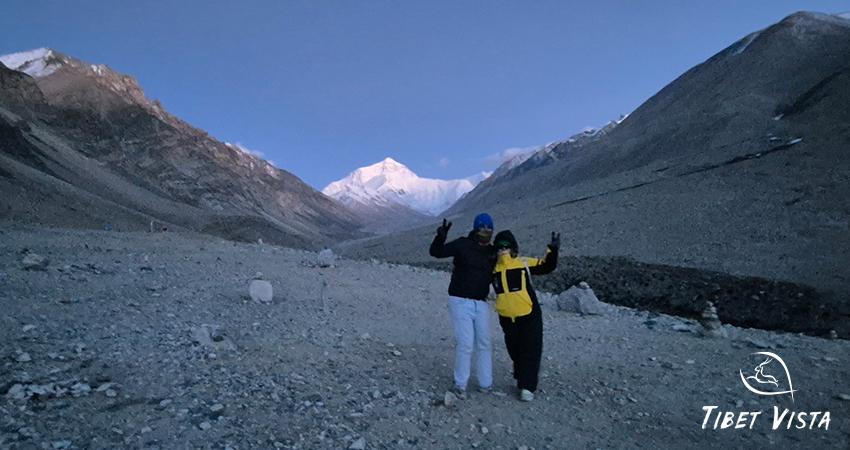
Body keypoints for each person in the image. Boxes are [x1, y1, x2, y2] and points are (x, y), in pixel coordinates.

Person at [429, 213, 497, 397]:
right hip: (460, 300)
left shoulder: (492, 252)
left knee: (484, 342)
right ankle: (460, 385)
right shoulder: (462, 244)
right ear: (475, 227)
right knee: (466, 343)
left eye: (489, 227)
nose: (486, 230)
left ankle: (486, 383)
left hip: (481, 303)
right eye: (482, 226)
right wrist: (440, 237)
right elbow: (436, 252)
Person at [491, 229, 559, 402]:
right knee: (514, 349)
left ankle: (527, 386)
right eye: (499, 246)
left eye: (506, 246)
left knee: (530, 349)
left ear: (513, 247)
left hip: (529, 314)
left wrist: (553, 250)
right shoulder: (493, 269)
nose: (503, 249)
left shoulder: (523, 263)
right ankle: (521, 377)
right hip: (507, 318)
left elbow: (547, 266)